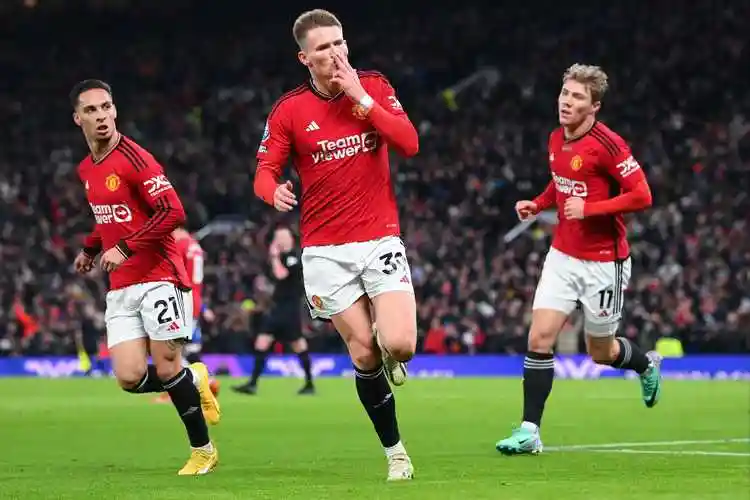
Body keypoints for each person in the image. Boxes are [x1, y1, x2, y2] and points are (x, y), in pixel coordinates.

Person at [253, 9, 419, 481]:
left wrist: (360, 97)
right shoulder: (289, 110)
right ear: (305, 58)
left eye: (339, 42)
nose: (335, 53)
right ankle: (396, 454)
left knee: (401, 345)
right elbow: (264, 172)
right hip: (325, 251)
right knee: (363, 355)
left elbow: (409, 143)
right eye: (323, 47)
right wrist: (272, 192)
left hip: (379, 238)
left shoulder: (375, 86)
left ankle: (391, 350)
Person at [495, 64, 662, 455]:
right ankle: (529, 431)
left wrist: (590, 209)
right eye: (565, 93)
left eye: (577, 97)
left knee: (600, 352)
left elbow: (643, 195)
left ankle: (645, 365)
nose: (566, 102)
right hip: (562, 257)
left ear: (594, 106)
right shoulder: (556, 138)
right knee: (539, 337)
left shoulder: (609, 145)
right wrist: (538, 204)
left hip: (605, 262)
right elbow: (561, 183)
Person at [70, 79, 220, 475]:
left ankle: (203, 450)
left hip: (159, 276)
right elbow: (108, 217)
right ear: (77, 118)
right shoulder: (87, 169)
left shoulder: (136, 159)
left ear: (115, 110)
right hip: (121, 285)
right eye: (91, 110)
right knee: (129, 377)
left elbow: (173, 212)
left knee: (167, 368)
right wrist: (90, 248)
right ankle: (195, 378)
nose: (101, 116)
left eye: (106, 107)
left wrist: (125, 247)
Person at [233, 226, 316, 395]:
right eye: (277, 237)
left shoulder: (293, 256)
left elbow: (281, 275)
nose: (278, 240)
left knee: (298, 344)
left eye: (281, 237)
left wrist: (274, 256)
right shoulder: (282, 256)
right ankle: (252, 384)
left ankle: (309, 384)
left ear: (289, 239)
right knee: (262, 341)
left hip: (290, 307)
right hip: (278, 307)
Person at [154, 226, 220, 403]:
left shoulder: (178, 245)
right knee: (185, 349)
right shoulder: (194, 246)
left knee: (169, 349)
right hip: (193, 300)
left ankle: (190, 387)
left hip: (179, 300)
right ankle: (207, 382)